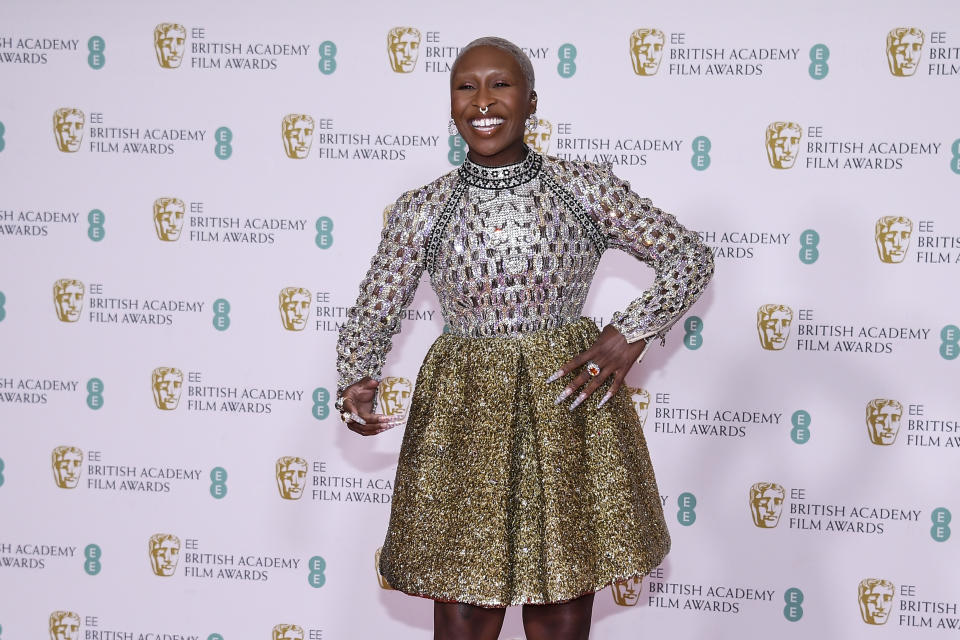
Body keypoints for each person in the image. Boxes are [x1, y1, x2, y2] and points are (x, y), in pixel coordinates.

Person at [335, 36, 714, 640]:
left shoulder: (582, 188)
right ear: (451, 107)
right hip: (465, 410)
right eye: (466, 86)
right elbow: (377, 303)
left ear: (532, 102)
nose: (482, 100)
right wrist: (356, 376)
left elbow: (688, 257)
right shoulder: (424, 208)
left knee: (560, 601)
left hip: (566, 401)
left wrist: (630, 333)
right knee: (464, 604)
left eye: (500, 84)